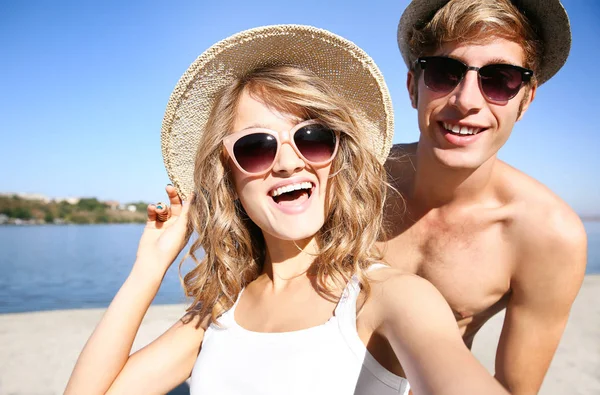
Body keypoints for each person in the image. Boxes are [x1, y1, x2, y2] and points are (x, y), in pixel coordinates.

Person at [66, 25, 509, 395]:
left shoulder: (389, 298)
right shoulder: (219, 312)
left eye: (312, 138)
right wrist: (149, 268)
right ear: (230, 179)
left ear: (338, 159)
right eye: (256, 147)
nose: (288, 161)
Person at [385, 0, 588, 393]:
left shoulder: (548, 236)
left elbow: (514, 389)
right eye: (445, 73)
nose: (467, 101)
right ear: (414, 88)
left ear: (525, 101)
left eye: (499, 80)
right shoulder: (353, 180)